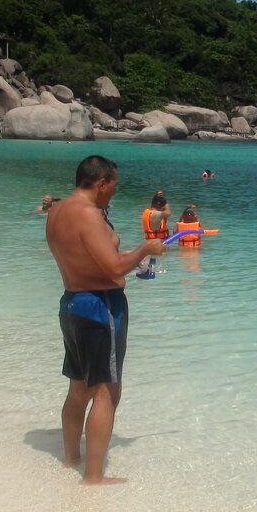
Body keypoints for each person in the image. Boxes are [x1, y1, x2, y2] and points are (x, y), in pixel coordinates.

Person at [45, 155, 167, 485]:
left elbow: (96, 260)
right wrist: (143, 250)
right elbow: (112, 270)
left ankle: (71, 458)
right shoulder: (88, 215)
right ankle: (94, 477)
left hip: (72, 303)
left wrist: (135, 254)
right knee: (107, 393)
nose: (114, 192)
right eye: (113, 186)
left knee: (78, 388)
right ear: (101, 183)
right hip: (101, 307)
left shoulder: (57, 211)